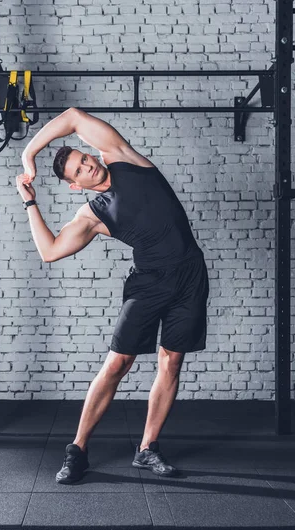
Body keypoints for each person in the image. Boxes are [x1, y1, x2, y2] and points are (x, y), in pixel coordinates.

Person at [16, 107, 209, 484]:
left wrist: (29, 154)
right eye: (78, 170)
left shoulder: (123, 158)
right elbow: (50, 250)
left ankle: (147, 448)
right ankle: (78, 450)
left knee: (171, 362)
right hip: (147, 283)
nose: (87, 165)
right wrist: (29, 202)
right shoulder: (93, 215)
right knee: (118, 363)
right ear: (75, 184)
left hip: (190, 274)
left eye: (84, 158)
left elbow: (71, 117)